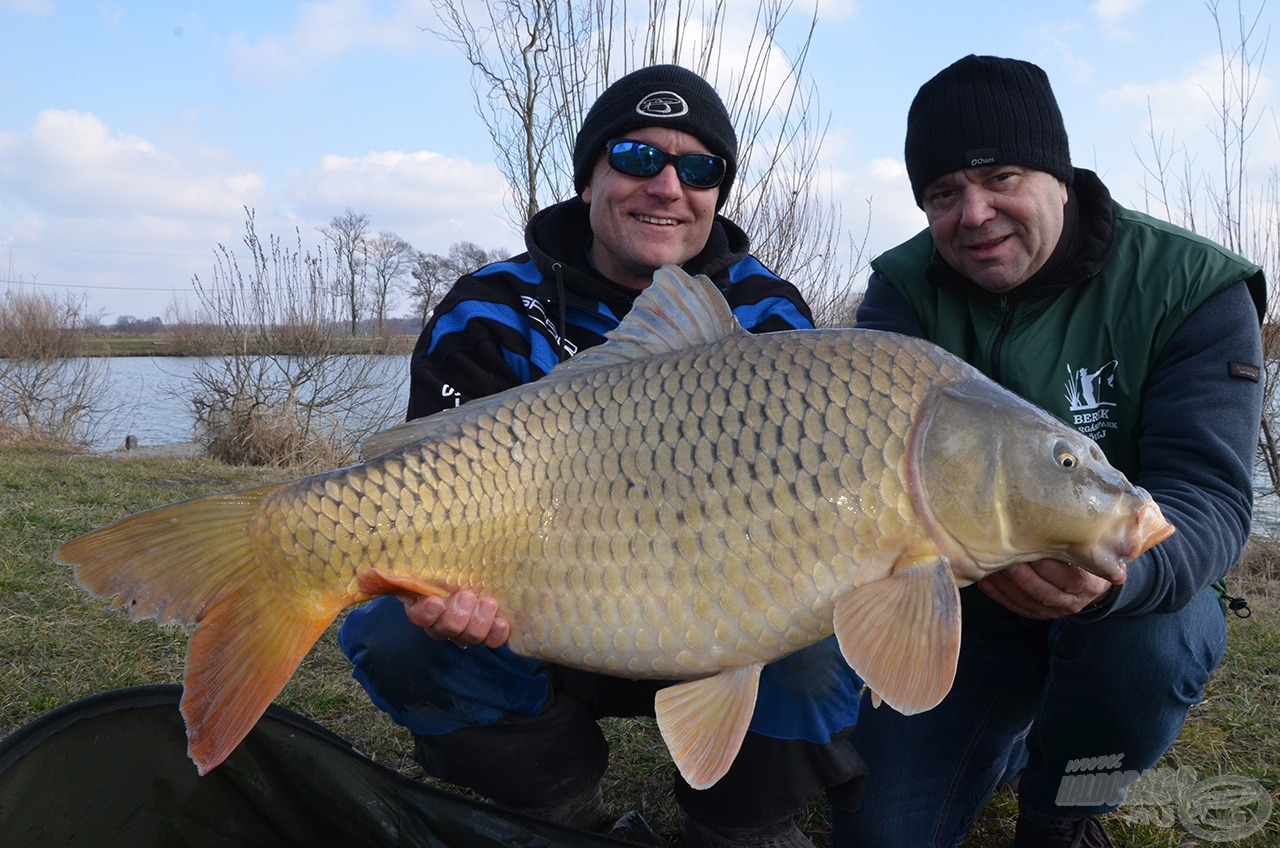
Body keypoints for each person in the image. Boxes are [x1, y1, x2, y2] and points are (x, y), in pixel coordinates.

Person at [339, 64, 865, 848]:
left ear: (717, 192)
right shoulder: (488, 307)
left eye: (698, 168)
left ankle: (738, 823)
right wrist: (442, 586)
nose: (667, 187)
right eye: (638, 158)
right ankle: (554, 804)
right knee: (396, 630)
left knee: (830, 634)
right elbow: (422, 485)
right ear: (589, 178)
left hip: (724, 603)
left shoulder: (766, 312)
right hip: (538, 608)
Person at [833, 54, 1266, 848]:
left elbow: (1211, 499)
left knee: (1152, 650)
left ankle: (1067, 806)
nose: (974, 213)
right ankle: (998, 738)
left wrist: (1112, 586)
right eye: (942, 194)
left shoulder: (1191, 286)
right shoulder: (902, 288)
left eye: (1001, 177)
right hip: (961, 604)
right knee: (882, 835)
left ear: (1060, 176)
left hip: (1126, 607)